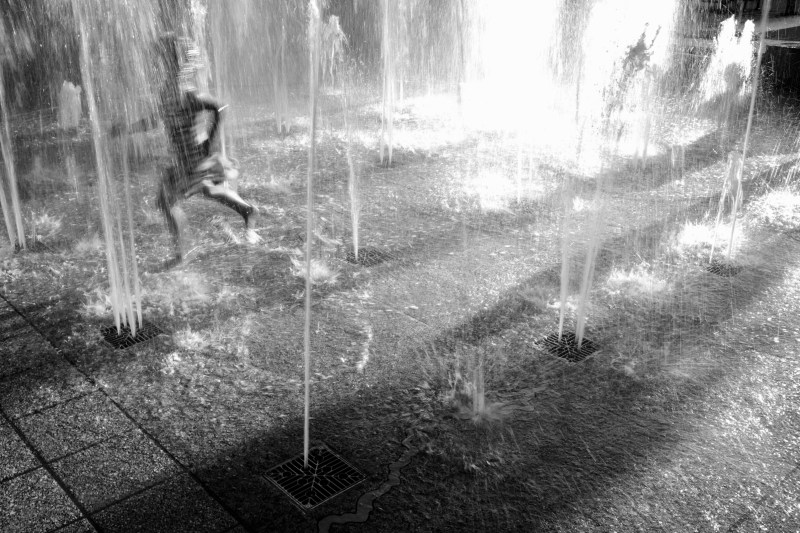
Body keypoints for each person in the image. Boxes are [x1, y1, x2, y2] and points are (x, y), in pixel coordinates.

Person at [112, 34, 258, 264]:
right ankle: (246, 211)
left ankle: (181, 254)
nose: (156, 64)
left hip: (191, 158)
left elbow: (219, 108)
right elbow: (155, 120)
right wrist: (127, 130)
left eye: (160, 59)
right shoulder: (168, 92)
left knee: (165, 201)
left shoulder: (188, 94)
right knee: (208, 189)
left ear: (172, 63)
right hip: (186, 158)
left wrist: (210, 142)